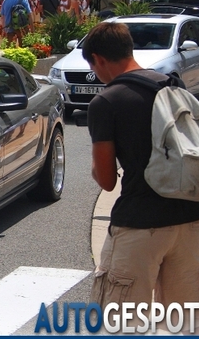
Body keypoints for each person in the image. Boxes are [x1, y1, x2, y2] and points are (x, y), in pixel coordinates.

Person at [82, 22, 199, 333]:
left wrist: (96, 166)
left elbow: (106, 180)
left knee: (120, 323)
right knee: (184, 324)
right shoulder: (172, 87)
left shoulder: (106, 102)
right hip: (189, 219)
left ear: (99, 59)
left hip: (140, 224)